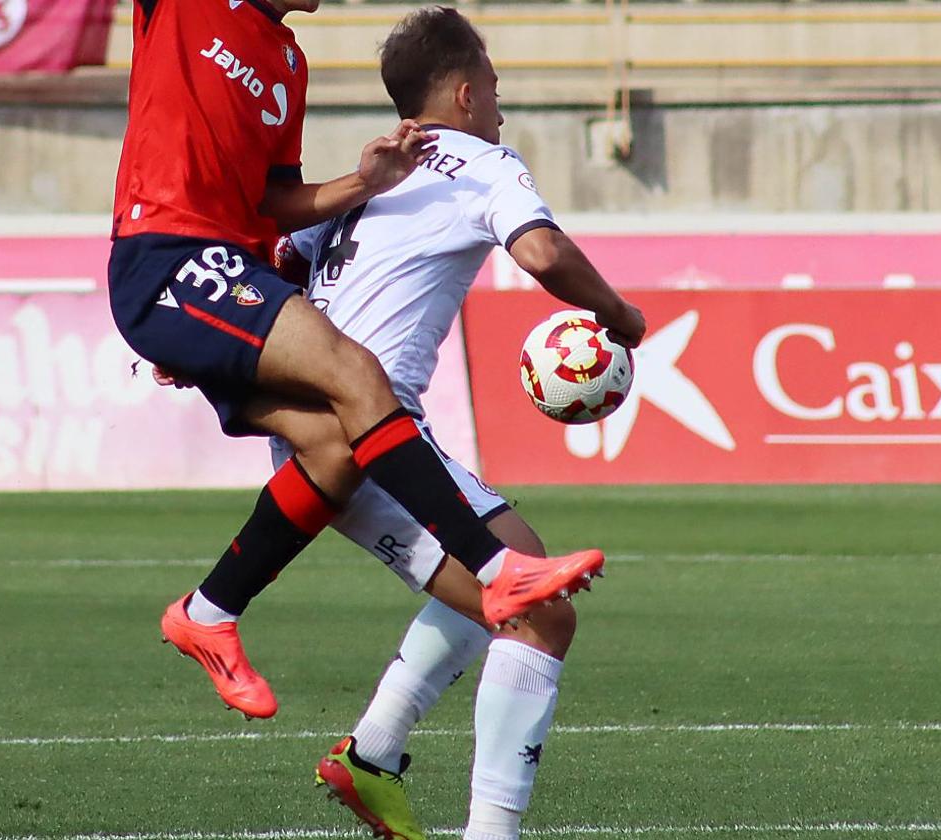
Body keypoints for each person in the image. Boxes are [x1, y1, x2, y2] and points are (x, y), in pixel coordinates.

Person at [172, 8, 645, 839]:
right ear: (465, 93)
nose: (500, 108)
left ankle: (375, 754)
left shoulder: (367, 183)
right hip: (370, 442)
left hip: (324, 428)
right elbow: (541, 254)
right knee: (539, 612)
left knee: (517, 570)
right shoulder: (486, 163)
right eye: (494, 91)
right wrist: (618, 313)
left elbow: (278, 262)